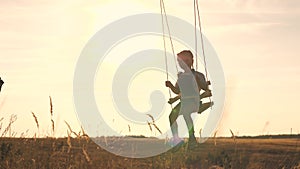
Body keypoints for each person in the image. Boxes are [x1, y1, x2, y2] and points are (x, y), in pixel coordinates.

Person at [165, 50, 210, 148]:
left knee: (185, 112)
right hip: (184, 102)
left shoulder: (198, 75)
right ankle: (177, 139)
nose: (183, 63)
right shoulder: (181, 76)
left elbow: (205, 88)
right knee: (172, 116)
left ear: (191, 61)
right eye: (180, 61)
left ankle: (192, 139)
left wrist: (203, 83)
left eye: (186, 60)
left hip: (194, 102)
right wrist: (171, 86)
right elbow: (177, 90)